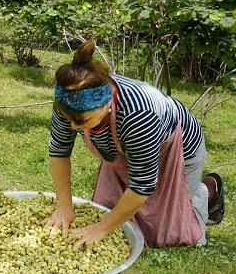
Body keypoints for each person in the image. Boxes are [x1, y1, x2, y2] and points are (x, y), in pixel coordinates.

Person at [45, 41, 226, 249]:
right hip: (128, 149)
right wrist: (64, 206)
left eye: (82, 121)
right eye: (69, 119)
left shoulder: (138, 114)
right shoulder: (70, 100)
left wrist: (101, 229)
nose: (74, 126)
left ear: (107, 104)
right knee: (114, 214)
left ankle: (206, 193)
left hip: (179, 148)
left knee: (166, 229)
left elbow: (142, 185)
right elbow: (59, 149)